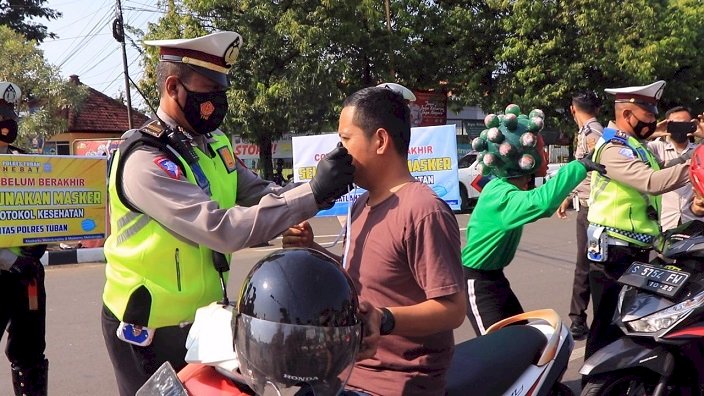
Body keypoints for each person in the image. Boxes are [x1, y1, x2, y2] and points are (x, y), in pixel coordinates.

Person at [100, 31, 355, 396]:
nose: (218, 103)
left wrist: (316, 189)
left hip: (202, 322)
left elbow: (258, 192)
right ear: (173, 87)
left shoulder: (214, 143)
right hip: (145, 330)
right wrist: (313, 194)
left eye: (222, 92)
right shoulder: (146, 159)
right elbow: (222, 229)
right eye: (208, 92)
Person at [284, 86, 466, 396]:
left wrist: (385, 320)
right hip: (343, 371)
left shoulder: (422, 210)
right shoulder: (361, 205)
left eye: (345, 139)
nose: (337, 152)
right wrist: (309, 250)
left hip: (394, 384)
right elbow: (359, 279)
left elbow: (453, 309)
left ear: (379, 141)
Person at [462, 104, 604, 335]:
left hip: (495, 279)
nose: (545, 154)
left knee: (522, 340)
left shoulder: (506, 187)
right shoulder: (501, 195)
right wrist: (578, 166)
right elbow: (542, 203)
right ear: (519, 154)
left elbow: (540, 196)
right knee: (497, 350)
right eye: (540, 148)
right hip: (477, 283)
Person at [584, 81, 691, 361]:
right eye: (648, 115)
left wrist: (693, 153)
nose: (654, 122)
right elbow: (650, 182)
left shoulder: (635, 147)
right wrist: (696, 165)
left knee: (630, 324)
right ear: (628, 115)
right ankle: (595, 387)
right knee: (607, 327)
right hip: (614, 252)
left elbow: (665, 170)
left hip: (632, 248)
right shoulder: (613, 147)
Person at [0, 81, 49, 396]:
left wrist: (36, 246)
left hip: (26, 275)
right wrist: (9, 260)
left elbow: (44, 211)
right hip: (5, 267)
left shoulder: (25, 164)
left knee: (29, 353)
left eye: (9, 114)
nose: (7, 122)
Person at [556, 91, 603, 341]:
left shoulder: (593, 134)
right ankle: (582, 318)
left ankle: (582, 320)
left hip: (593, 209)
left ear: (573, 109)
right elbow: (583, 173)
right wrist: (567, 197)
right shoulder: (591, 132)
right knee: (587, 263)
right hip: (588, 205)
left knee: (588, 264)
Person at [646, 106, 698, 230]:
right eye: (676, 124)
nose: (680, 128)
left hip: (695, 221)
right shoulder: (654, 147)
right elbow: (631, 144)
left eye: (685, 124)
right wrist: (650, 133)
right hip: (664, 221)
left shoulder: (699, 150)